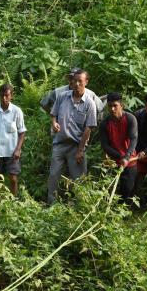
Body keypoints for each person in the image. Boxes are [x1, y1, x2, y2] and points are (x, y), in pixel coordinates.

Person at [47, 70, 98, 204]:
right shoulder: (62, 96)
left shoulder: (89, 103)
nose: (76, 84)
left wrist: (81, 150)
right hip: (59, 144)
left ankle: (79, 206)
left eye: (80, 81)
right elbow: (53, 113)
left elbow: (89, 127)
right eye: (74, 81)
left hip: (76, 147)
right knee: (53, 175)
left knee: (79, 179)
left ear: (86, 82)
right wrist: (54, 123)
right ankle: (51, 205)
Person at [99, 93, 138, 202]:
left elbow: (134, 139)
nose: (112, 109)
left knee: (127, 190)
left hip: (130, 160)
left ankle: (125, 212)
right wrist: (120, 156)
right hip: (112, 160)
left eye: (115, 105)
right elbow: (105, 145)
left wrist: (126, 157)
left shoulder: (130, 119)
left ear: (122, 105)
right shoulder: (104, 124)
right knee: (108, 189)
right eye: (110, 106)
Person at [40, 67, 104, 120]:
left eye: (76, 79)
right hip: (60, 129)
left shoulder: (90, 94)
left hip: (81, 131)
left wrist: (94, 123)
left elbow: (100, 108)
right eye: (71, 78)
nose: (73, 81)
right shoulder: (58, 92)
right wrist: (54, 116)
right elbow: (44, 104)